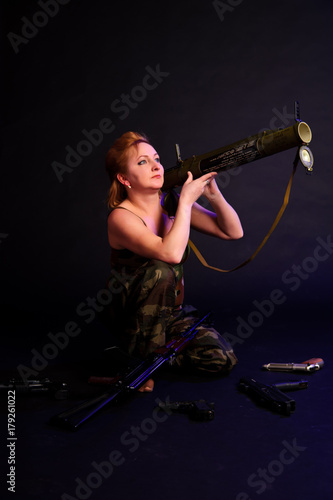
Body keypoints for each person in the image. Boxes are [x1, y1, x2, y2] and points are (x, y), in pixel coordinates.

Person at [105, 131, 243, 392]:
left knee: (222, 359)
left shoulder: (170, 203)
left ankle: (153, 360)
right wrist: (187, 204)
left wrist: (212, 196)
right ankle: (138, 359)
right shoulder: (121, 217)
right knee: (161, 271)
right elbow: (170, 255)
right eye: (142, 162)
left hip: (170, 315)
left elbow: (233, 232)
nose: (157, 166)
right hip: (132, 317)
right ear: (124, 178)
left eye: (156, 158)